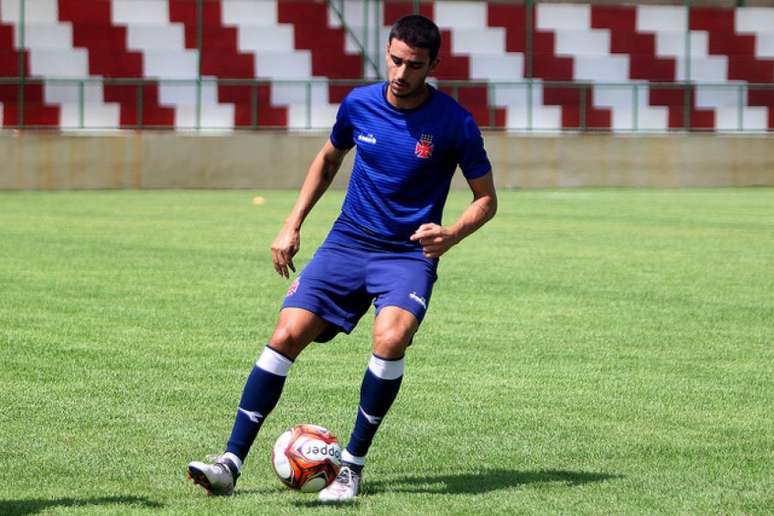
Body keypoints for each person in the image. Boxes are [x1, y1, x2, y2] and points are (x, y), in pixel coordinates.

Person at [187, 14, 497, 502]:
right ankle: (229, 463)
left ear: (434, 64)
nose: (401, 73)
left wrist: (452, 232)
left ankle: (350, 467)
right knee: (285, 333)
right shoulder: (359, 104)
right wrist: (292, 224)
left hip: (406, 255)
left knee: (391, 338)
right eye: (395, 60)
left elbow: (486, 199)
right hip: (346, 243)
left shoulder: (454, 123)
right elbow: (329, 157)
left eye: (414, 65)